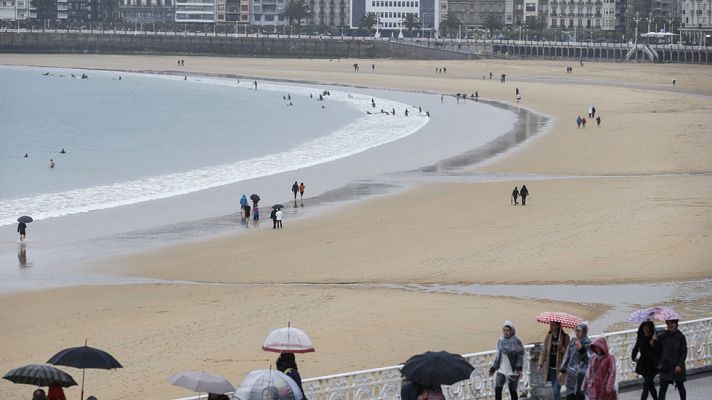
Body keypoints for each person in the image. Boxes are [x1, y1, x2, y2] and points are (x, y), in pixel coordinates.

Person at [489, 321, 524, 400]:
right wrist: (493, 368)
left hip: (512, 370)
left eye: (507, 330)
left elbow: (520, 355)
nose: (506, 332)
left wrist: (519, 368)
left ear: (512, 330)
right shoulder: (501, 340)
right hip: (501, 369)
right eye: (504, 330)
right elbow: (498, 355)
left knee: (513, 391)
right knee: (498, 389)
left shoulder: (516, 340)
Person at [653, 319, 687, 400]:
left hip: (677, 367)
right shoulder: (664, 336)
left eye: (672, 323)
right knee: (662, 390)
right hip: (666, 367)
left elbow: (684, 353)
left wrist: (679, 365)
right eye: (668, 323)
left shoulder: (681, 337)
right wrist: (654, 341)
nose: (669, 325)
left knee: (680, 387)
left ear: (676, 324)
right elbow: (658, 350)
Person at [538, 321, 570, 400]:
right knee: (554, 389)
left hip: (560, 368)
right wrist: (540, 364)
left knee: (556, 390)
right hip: (551, 367)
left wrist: (561, 347)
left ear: (558, 326)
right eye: (550, 325)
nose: (551, 327)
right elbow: (544, 351)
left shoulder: (565, 337)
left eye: (553, 325)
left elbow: (568, 353)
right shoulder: (548, 336)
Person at [559, 323, 591, 400]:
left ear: (584, 331)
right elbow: (567, 356)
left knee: (581, 396)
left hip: (582, 375)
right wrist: (562, 371)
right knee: (570, 396)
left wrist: (582, 349)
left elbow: (590, 361)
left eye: (579, 331)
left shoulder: (589, 343)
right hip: (571, 375)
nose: (576, 333)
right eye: (575, 330)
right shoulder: (573, 341)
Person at [632, 320, 659, 400]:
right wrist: (633, 357)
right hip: (643, 365)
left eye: (648, 326)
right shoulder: (640, 336)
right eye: (644, 326)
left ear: (651, 328)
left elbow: (659, 351)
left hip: (652, 365)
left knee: (646, 387)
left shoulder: (654, 337)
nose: (646, 328)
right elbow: (636, 348)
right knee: (650, 386)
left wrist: (654, 343)